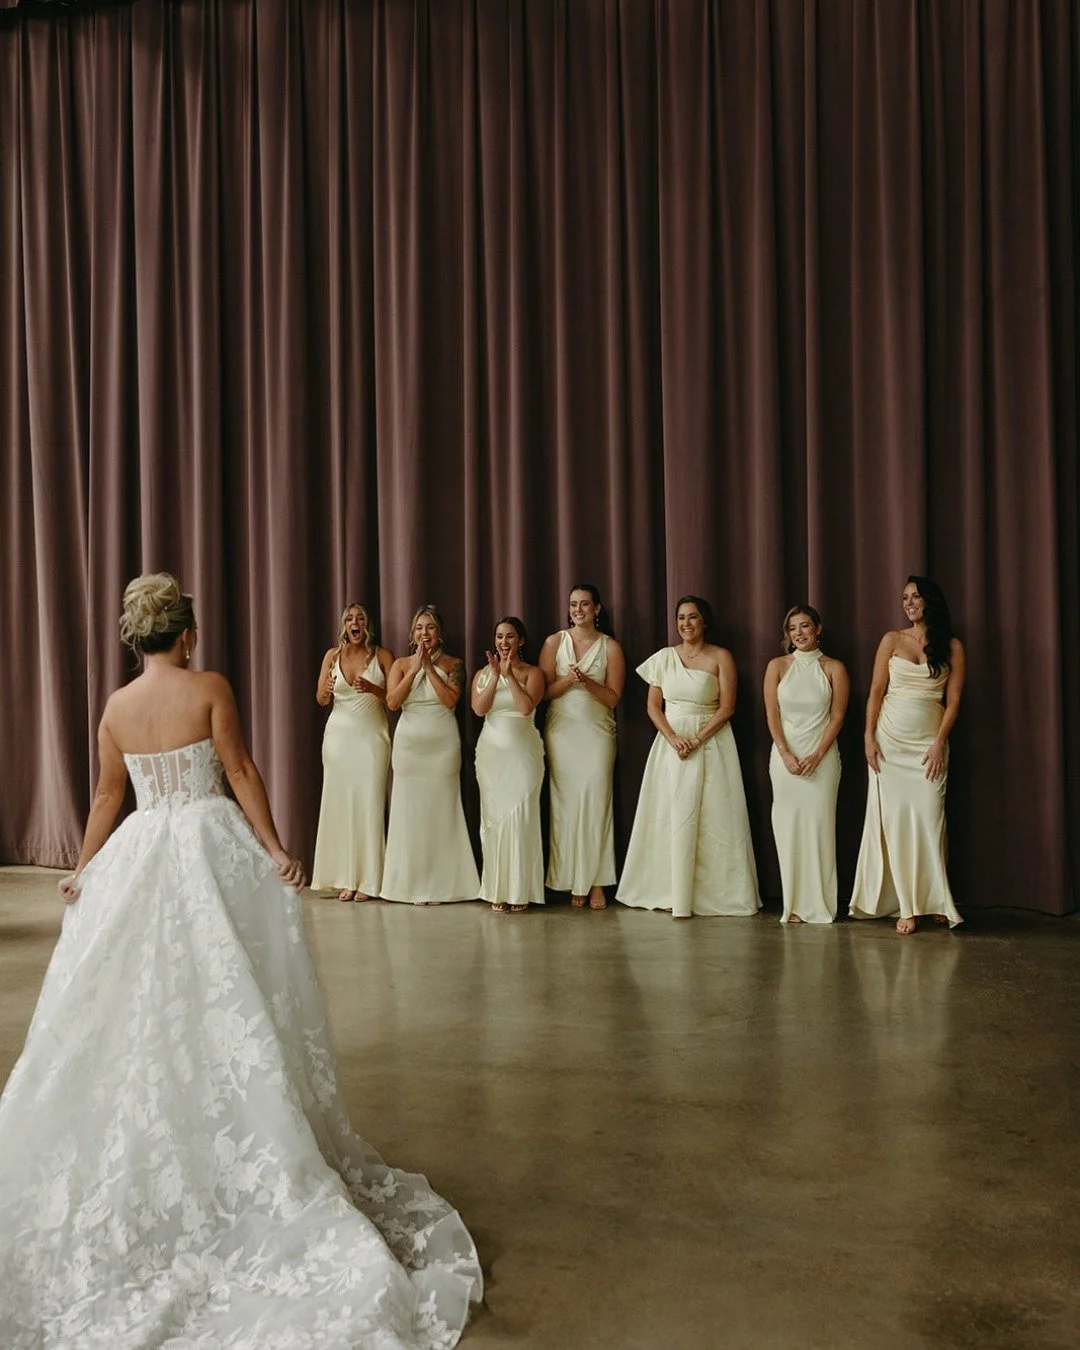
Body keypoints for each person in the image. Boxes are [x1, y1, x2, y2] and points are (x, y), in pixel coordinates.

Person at [0, 573, 481, 1348]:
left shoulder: (117, 709)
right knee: (233, 996)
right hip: (206, 848)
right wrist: (278, 848)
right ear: (185, 633)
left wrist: (85, 870)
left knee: (138, 1010)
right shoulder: (209, 686)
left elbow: (104, 799)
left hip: (140, 853)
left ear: (135, 638)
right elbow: (244, 772)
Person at [616, 595, 761, 919]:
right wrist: (673, 738)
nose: (686, 624)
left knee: (714, 817)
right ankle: (668, 890)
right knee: (670, 814)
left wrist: (696, 738)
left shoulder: (721, 656)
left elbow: (727, 707)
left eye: (692, 617)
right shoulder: (664, 658)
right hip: (671, 744)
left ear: (704, 621)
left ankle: (710, 896)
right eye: (681, 618)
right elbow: (653, 706)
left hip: (711, 743)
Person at [849, 575, 966, 933]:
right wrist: (868, 736)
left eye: (916, 597)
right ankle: (908, 907)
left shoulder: (952, 645)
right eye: (904, 598)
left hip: (928, 746)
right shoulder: (891, 640)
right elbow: (875, 692)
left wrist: (939, 743)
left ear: (930, 601)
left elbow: (954, 700)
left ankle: (935, 901)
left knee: (932, 821)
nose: (909, 603)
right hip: (889, 744)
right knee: (896, 825)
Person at [380, 605, 480, 904]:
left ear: (440, 633)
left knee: (441, 810)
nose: (425, 633)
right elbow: (393, 702)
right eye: (420, 628)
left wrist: (428, 669)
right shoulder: (399, 664)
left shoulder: (454, 664)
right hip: (409, 747)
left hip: (442, 746)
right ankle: (407, 884)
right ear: (412, 634)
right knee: (409, 811)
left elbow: (450, 701)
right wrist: (414, 668)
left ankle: (444, 885)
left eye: (431, 627)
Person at [539, 583, 625, 909]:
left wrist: (587, 682)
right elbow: (543, 692)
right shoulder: (553, 643)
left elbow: (614, 697)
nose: (578, 610)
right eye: (574, 604)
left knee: (597, 804)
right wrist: (569, 680)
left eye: (585, 604)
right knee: (565, 806)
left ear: (597, 609)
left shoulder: (611, 648)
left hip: (597, 732)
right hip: (561, 731)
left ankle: (597, 882)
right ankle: (572, 880)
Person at [763, 605, 849, 924]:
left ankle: (820, 905)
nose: (799, 633)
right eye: (793, 628)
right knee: (787, 829)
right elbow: (772, 715)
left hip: (822, 760)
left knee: (819, 828)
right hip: (785, 760)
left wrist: (817, 754)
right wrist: (785, 753)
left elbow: (838, 717)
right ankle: (795, 905)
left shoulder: (834, 668)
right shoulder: (777, 666)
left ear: (818, 629)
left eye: (805, 626)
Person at [311, 602, 393, 901]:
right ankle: (346, 877)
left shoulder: (382, 656)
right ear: (344, 625)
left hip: (372, 737)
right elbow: (320, 699)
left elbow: (395, 699)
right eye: (349, 618)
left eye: (360, 617)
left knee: (368, 802)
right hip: (338, 738)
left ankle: (370, 880)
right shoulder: (332, 656)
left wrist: (374, 689)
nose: (354, 622)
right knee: (341, 805)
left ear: (368, 625)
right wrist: (328, 689)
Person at [471, 617, 546, 914]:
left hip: (524, 755)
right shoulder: (482, 674)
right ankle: (496, 890)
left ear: (521, 641)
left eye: (510, 637)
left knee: (522, 819)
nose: (504, 642)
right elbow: (479, 709)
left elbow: (526, 707)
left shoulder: (534, 673)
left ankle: (521, 889)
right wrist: (494, 677)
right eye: (500, 637)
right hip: (491, 755)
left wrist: (509, 676)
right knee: (493, 821)